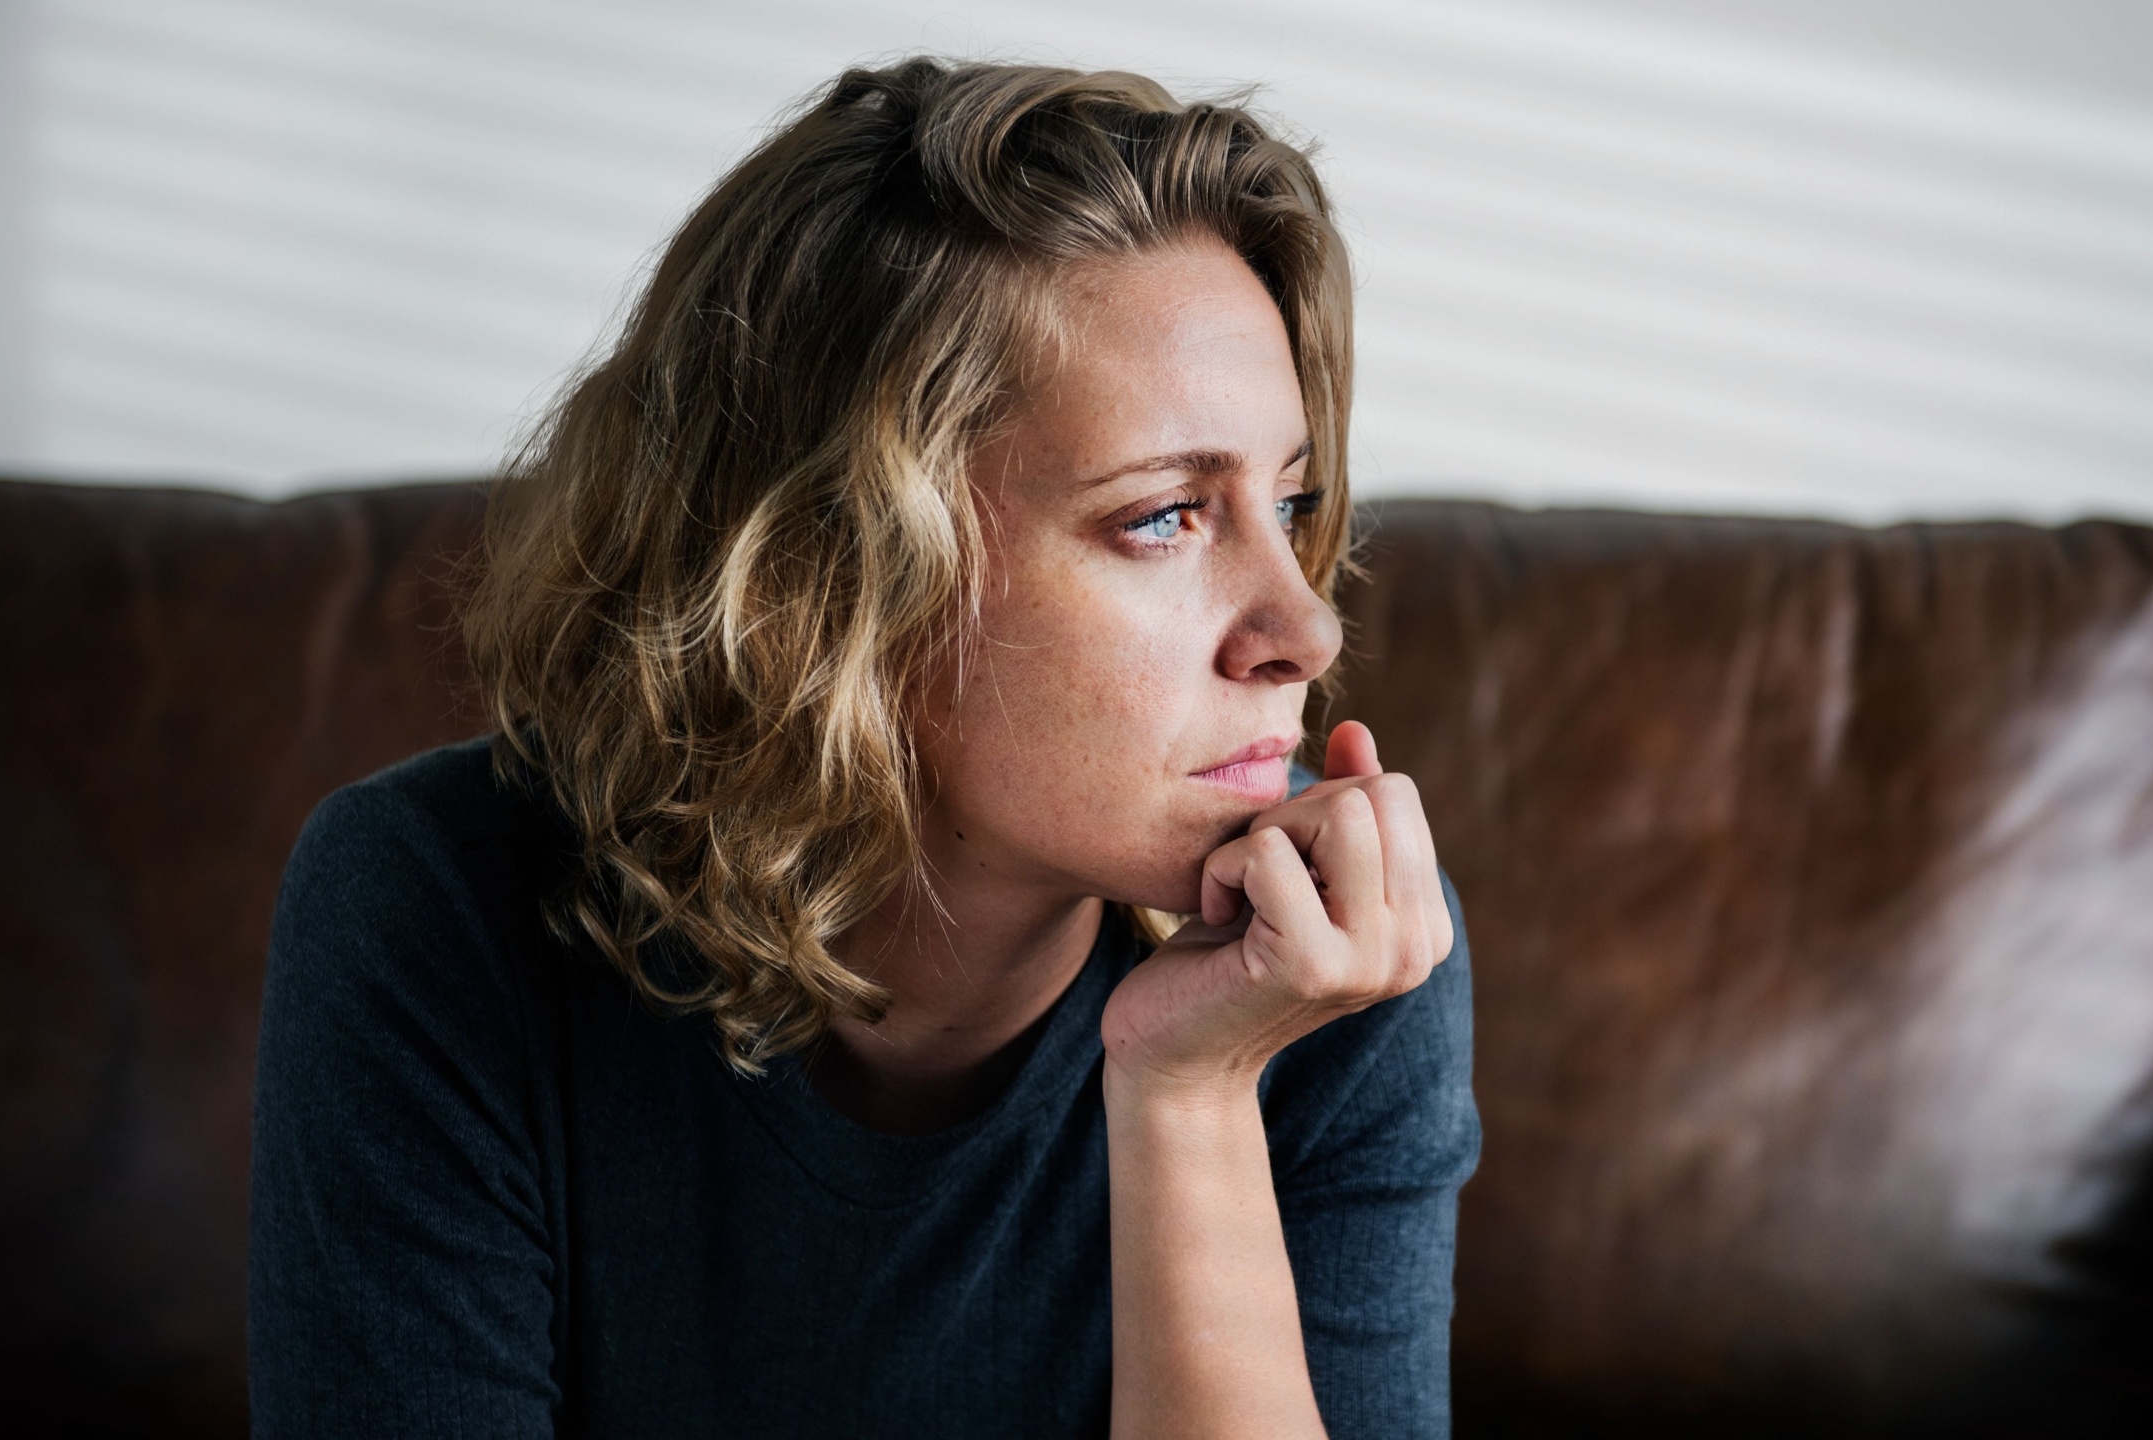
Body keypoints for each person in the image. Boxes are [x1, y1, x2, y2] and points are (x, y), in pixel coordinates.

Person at [247, 57, 1477, 1440]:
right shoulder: (434, 908)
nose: (1303, 626)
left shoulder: (1335, 958)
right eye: (1163, 518)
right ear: (833, 577)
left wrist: (1187, 1093)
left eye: (1294, 499)